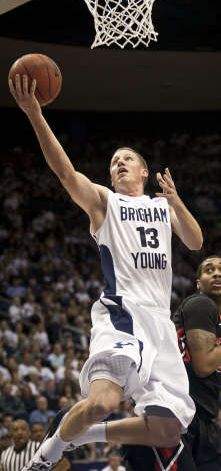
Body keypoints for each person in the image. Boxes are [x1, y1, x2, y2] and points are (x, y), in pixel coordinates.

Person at [9, 74, 203, 471]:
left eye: (126, 159)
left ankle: (79, 432)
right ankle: (48, 454)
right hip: (123, 313)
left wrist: (177, 200)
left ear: (144, 172)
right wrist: (34, 113)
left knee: (168, 432)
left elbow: (197, 242)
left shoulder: (163, 207)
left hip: (160, 323)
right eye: (113, 160)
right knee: (102, 403)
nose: (118, 163)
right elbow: (66, 174)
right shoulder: (104, 201)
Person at [122, 255, 221, 471]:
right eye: (209, 270)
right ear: (199, 284)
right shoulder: (200, 304)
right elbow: (204, 366)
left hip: (204, 421)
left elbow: (217, 385)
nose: (216, 273)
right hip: (173, 412)